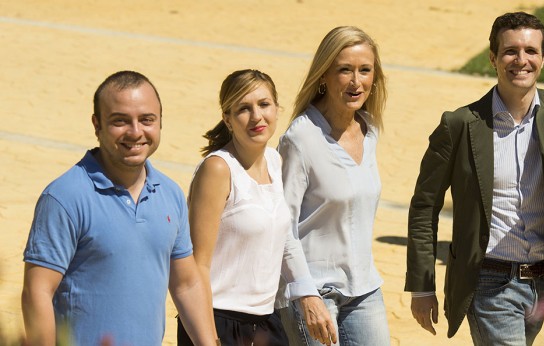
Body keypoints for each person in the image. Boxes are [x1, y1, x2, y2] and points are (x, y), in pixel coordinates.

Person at [406, 12, 544, 346]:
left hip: (539, 283)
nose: (521, 60)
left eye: (531, 51)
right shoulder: (459, 124)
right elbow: (424, 206)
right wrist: (423, 285)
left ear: (543, 58)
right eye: (510, 51)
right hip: (488, 283)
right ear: (493, 58)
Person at [21, 71, 217, 345]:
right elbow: (37, 291)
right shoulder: (64, 197)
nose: (135, 132)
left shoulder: (169, 193)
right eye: (120, 121)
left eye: (147, 120)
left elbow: (186, 284)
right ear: (97, 125)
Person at [276, 26, 391, 346]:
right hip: (313, 291)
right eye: (345, 70)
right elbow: (282, 224)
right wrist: (304, 293)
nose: (357, 82)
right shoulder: (300, 138)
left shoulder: (370, 130)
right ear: (324, 75)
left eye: (365, 70)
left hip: (364, 289)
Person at [178, 69, 290, 346]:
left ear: (277, 108)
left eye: (264, 104)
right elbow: (198, 264)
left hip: (267, 320)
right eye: (243, 108)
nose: (256, 117)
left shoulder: (276, 162)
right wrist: (208, 338)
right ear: (227, 119)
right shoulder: (218, 169)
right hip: (220, 321)